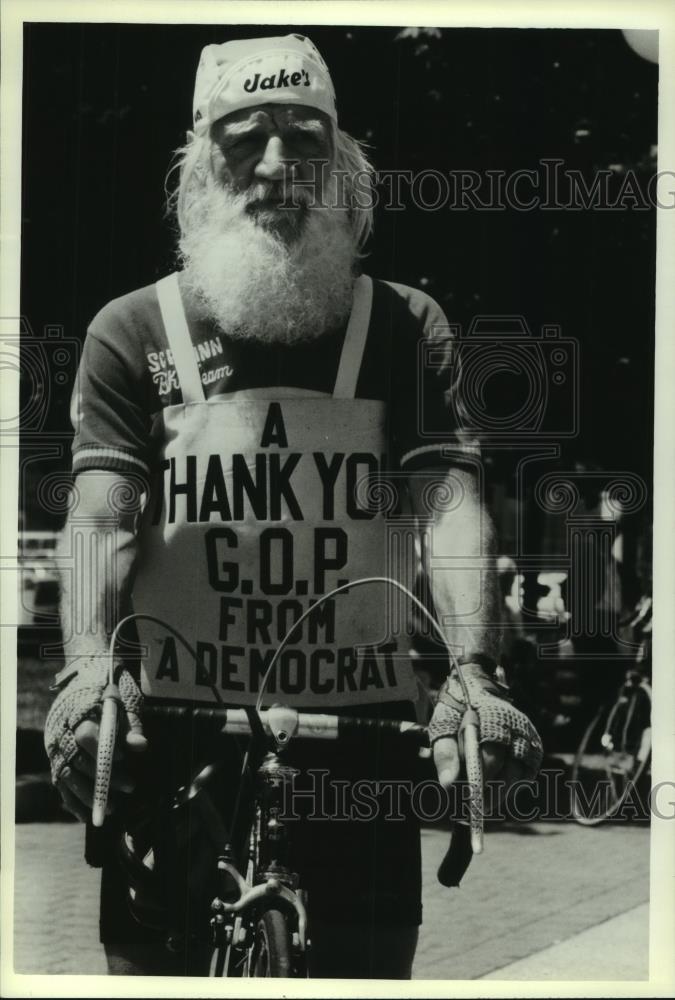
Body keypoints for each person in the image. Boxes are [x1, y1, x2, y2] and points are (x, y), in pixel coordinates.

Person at [44, 33, 543, 979]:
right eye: (245, 139)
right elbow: (103, 512)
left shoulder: (403, 324)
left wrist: (476, 671)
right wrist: (81, 671)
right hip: (176, 736)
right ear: (199, 168)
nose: (278, 168)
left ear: (342, 168)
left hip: (362, 744)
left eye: (305, 141)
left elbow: (446, 497)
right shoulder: (133, 328)